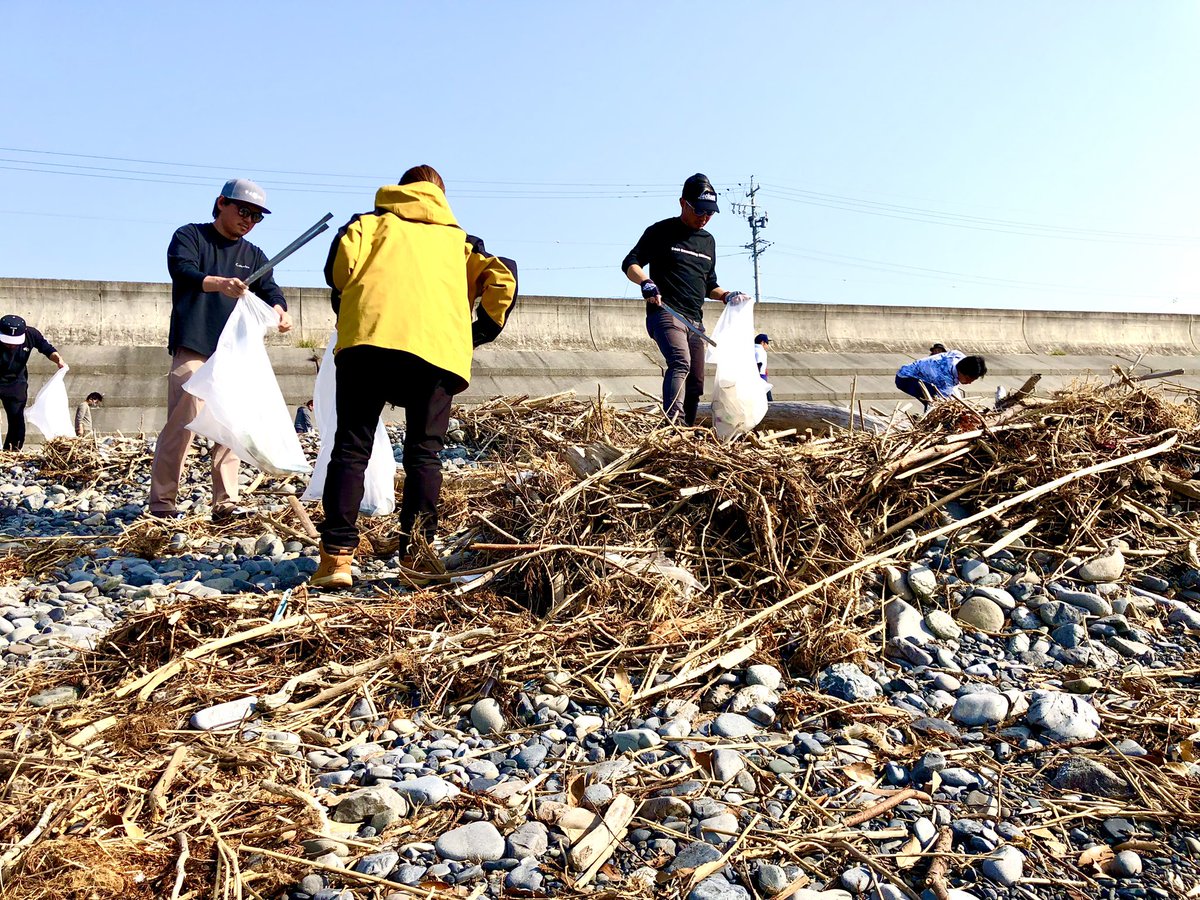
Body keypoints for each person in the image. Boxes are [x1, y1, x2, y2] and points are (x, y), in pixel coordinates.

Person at [312, 165, 518, 589]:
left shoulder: (368, 223)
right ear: (441, 195)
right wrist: (480, 331)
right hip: (437, 353)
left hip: (367, 343)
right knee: (424, 455)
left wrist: (350, 306)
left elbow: (339, 269)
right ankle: (418, 558)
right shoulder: (460, 241)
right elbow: (504, 277)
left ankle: (337, 559)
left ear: (402, 190)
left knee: (352, 448)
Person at [148, 179, 292, 523]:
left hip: (234, 355)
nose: (249, 220)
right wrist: (219, 284)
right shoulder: (190, 236)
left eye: (257, 217)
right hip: (194, 345)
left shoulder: (253, 255)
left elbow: (271, 290)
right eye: (244, 211)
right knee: (182, 423)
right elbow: (182, 271)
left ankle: (225, 502)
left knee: (230, 425)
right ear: (221, 203)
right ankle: (163, 503)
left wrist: (280, 311)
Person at [621, 174, 750, 425]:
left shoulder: (708, 241)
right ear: (683, 203)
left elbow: (709, 284)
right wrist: (646, 282)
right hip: (666, 312)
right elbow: (630, 263)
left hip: (695, 321)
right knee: (680, 362)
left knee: (697, 382)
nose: (704, 218)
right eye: (700, 211)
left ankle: (688, 432)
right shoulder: (661, 232)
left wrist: (726, 295)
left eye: (710, 214)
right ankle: (675, 426)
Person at [0, 315, 65, 451]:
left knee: (17, 418)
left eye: (14, 342)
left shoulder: (31, 334)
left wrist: (58, 360)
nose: (11, 345)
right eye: (7, 341)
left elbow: (47, 348)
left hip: (15, 382)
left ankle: (12, 452)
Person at [896, 350, 987, 409]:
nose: (969, 383)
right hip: (906, 378)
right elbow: (938, 404)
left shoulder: (959, 356)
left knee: (952, 399)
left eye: (973, 380)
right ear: (961, 372)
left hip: (922, 374)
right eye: (968, 379)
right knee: (935, 403)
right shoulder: (944, 380)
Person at [754, 333, 773, 402]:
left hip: (759, 377)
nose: (768, 345)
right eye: (767, 343)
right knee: (768, 400)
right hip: (760, 378)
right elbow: (758, 364)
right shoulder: (760, 351)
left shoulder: (752, 350)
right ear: (762, 343)